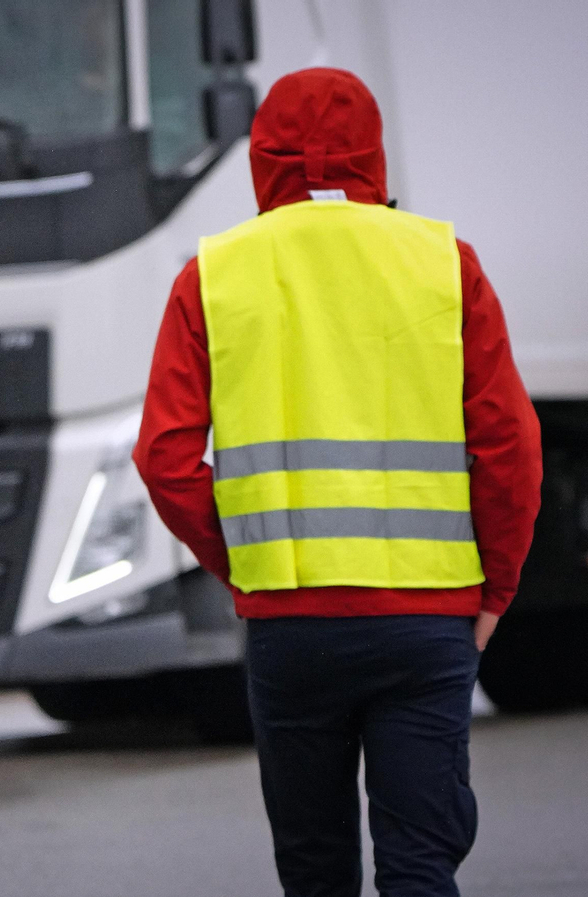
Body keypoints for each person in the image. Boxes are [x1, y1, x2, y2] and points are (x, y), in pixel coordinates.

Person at [134, 68, 542, 897]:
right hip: (428, 621)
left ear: (262, 156)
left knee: (315, 869)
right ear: (372, 155)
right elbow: (510, 444)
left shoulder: (213, 276)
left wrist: (246, 562)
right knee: (420, 865)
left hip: (292, 627)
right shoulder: (445, 264)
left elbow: (165, 459)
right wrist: (496, 587)